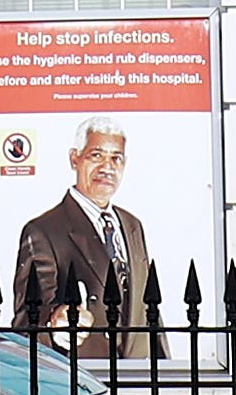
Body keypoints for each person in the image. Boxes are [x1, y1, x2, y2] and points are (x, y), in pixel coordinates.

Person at [12, 126, 158, 357]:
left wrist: (167, 373)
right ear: (74, 159)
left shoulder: (132, 226)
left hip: (137, 377)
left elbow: (149, 306)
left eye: (116, 158)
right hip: (81, 378)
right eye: (96, 155)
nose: (107, 167)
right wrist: (55, 325)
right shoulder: (43, 231)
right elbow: (28, 321)